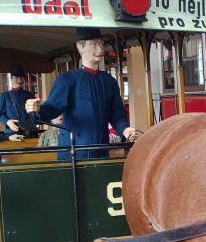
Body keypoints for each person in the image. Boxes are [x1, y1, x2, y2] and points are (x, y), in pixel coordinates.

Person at [25, 28, 140, 160]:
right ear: (80, 47)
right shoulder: (67, 80)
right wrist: (37, 110)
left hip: (101, 151)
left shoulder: (109, 82)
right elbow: (53, 108)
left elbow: (117, 114)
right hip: (74, 153)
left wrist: (125, 130)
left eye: (101, 44)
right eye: (94, 44)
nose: (100, 49)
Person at [0, 64, 36, 136]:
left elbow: (34, 114)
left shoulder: (30, 95)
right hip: (12, 133)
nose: (20, 80)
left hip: (30, 133)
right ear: (11, 78)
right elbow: (0, 115)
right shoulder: (4, 96)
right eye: (17, 77)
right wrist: (8, 122)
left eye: (22, 78)